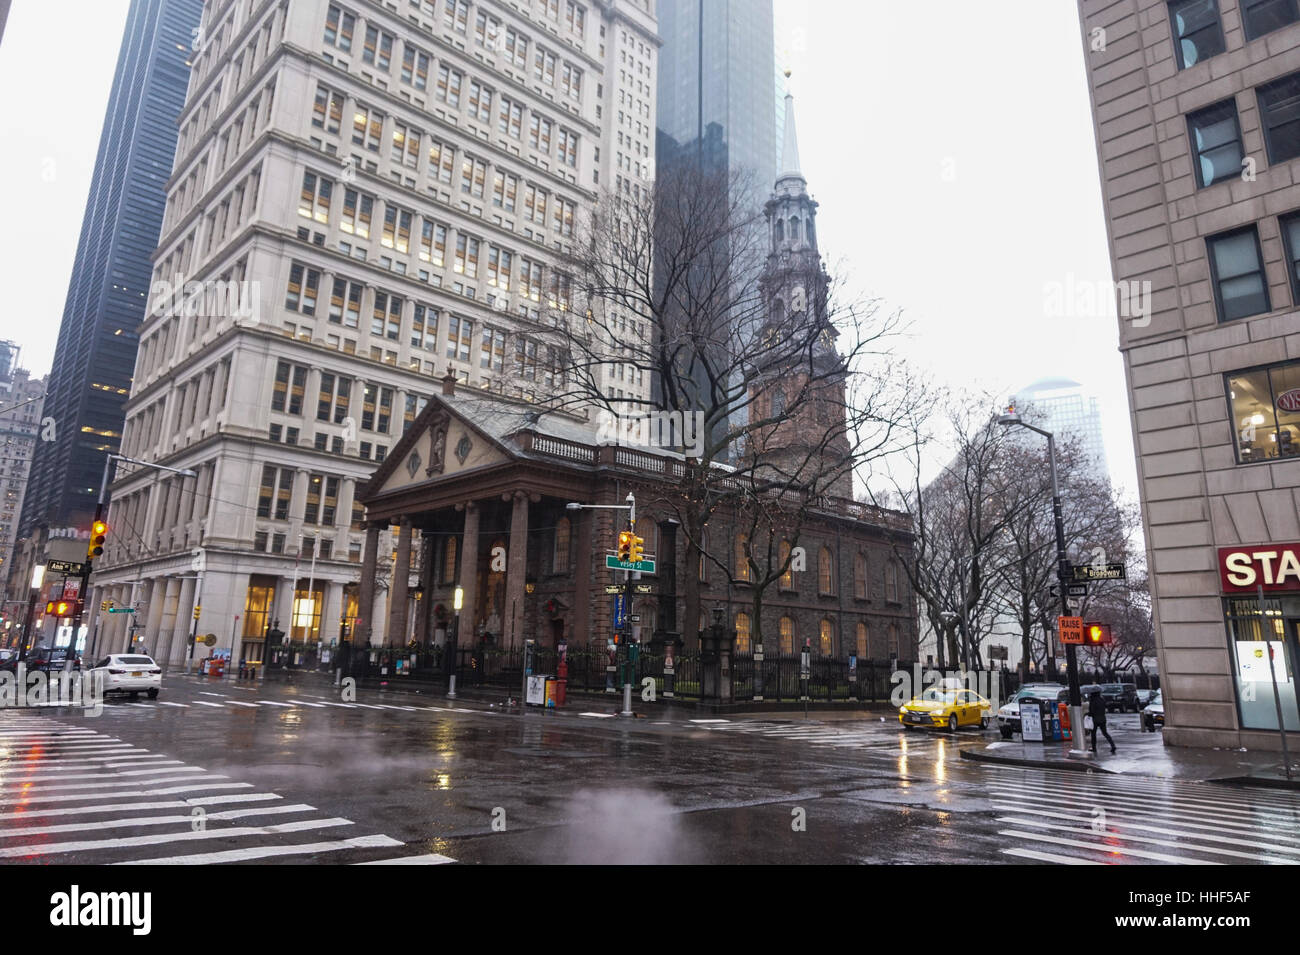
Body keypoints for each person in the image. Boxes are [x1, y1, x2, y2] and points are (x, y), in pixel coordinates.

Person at [1088, 688, 1115, 755]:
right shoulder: (1102, 700)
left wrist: (1088, 714)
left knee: (1093, 734)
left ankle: (1094, 748)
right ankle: (1112, 745)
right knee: (1105, 733)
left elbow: (1092, 711)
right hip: (1102, 718)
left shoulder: (1092, 700)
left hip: (1095, 720)